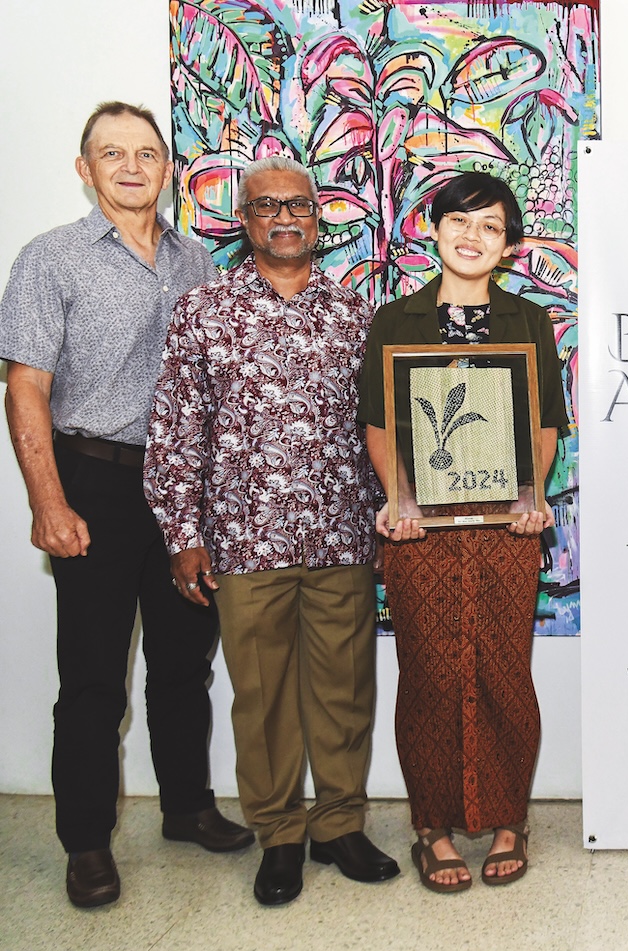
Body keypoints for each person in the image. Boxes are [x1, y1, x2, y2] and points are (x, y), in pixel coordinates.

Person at [0, 101, 253, 909]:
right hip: (95, 482)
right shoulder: (50, 258)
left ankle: (186, 808)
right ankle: (85, 843)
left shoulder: (196, 262)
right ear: (86, 169)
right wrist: (48, 502)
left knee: (183, 664)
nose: (132, 166)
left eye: (146, 153)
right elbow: (25, 387)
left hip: (183, 492)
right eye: (112, 153)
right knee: (93, 679)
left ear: (168, 170)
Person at [144, 155, 399, 906]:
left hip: (341, 534)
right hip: (244, 539)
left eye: (298, 205)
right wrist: (182, 533)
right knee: (261, 698)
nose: (284, 218)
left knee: (345, 691)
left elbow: (385, 426)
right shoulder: (204, 311)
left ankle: (340, 825)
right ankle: (280, 835)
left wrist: (394, 515)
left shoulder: (356, 314)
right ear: (245, 220)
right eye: (266, 206)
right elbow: (176, 429)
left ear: (317, 216)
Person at [357, 172, 566, 893]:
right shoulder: (395, 321)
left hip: (508, 531)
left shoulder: (528, 323)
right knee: (430, 675)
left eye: (491, 226)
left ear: (508, 246)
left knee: (505, 671)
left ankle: (510, 819)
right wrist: (400, 499)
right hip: (420, 535)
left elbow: (545, 424)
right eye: (460, 221)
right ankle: (433, 828)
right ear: (434, 228)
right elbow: (379, 424)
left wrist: (533, 496)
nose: (473, 236)